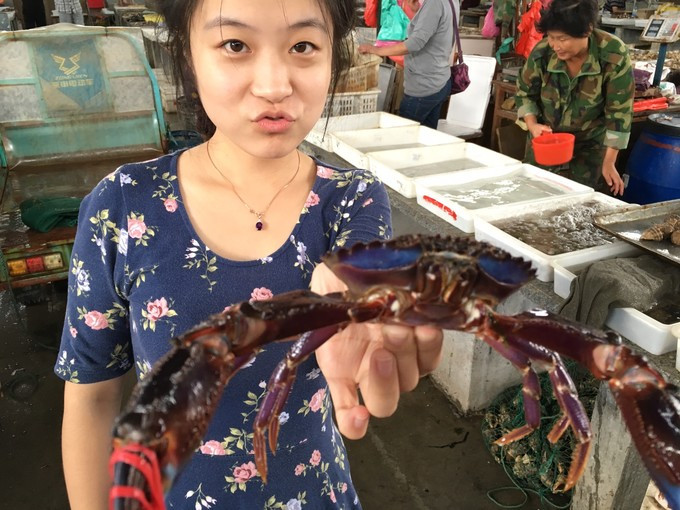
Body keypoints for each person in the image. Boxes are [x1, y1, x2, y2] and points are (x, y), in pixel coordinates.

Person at [54, 0, 444, 509]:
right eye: (235, 44)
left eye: (303, 45)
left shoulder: (352, 199)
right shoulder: (123, 204)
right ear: (188, 55)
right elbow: (91, 395)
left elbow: (360, 268)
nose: (275, 85)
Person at [515, 0, 633, 195]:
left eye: (563, 39)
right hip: (546, 143)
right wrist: (533, 124)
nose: (555, 45)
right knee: (534, 193)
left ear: (587, 30)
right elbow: (525, 93)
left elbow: (619, 113)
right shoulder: (542, 52)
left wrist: (609, 162)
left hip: (589, 147)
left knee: (581, 200)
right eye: (551, 37)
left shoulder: (612, 54)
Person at [359, 0, 454, 129]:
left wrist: (376, 50)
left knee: (404, 134)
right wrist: (414, 12)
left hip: (424, 86)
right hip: (439, 81)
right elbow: (433, 30)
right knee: (426, 135)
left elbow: (415, 43)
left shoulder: (434, 3)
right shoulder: (451, 1)